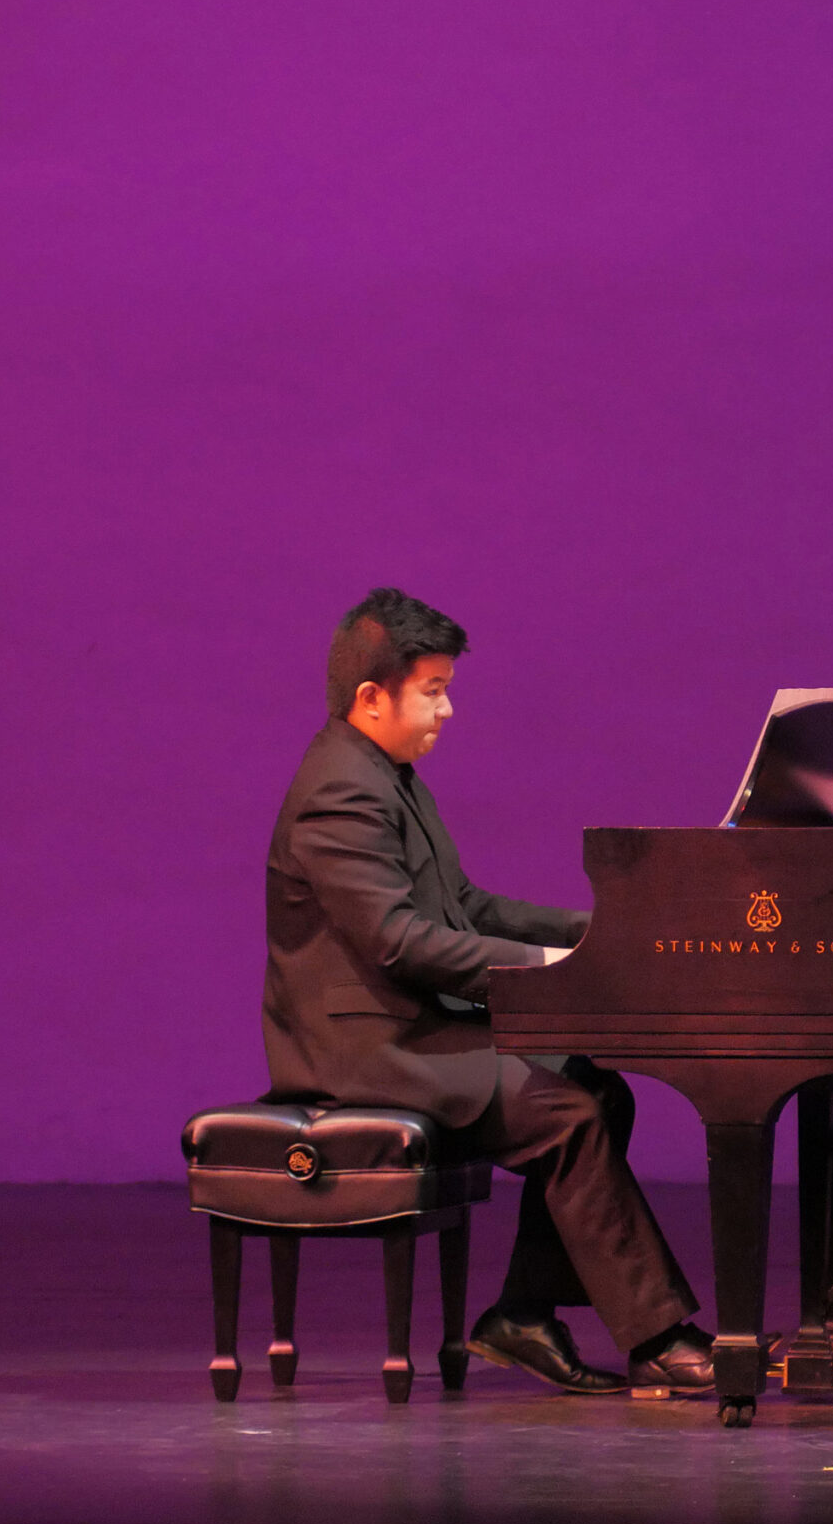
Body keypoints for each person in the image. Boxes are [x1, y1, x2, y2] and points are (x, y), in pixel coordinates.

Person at [262, 587, 717, 1396]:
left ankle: (523, 1314)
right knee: (567, 1113)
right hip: (364, 1050)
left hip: (410, 1028)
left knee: (592, 1085)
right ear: (372, 697)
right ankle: (658, 1336)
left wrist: (596, 932)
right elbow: (398, 942)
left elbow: (463, 906)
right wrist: (548, 968)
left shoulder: (388, 775)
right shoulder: (341, 790)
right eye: (432, 690)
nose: (447, 708)